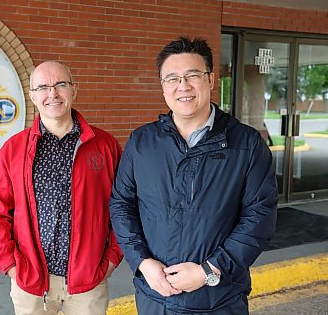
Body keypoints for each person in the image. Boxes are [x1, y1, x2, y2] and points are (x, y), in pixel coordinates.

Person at [109, 36, 278, 315]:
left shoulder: (246, 144)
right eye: (172, 78)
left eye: (192, 75)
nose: (182, 86)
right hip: (155, 298)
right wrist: (143, 263)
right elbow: (121, 204)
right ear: (162, 87)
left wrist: (209, 270)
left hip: (220, 300)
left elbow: (259, 218)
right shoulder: (142, 142)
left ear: (211, 80)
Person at [0, 61, 123, 315]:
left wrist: (111, 259)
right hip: (31, 282)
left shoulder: (105, 146)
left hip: (88, 281)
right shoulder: (13, 150)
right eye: (43, 87)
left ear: (73, 90)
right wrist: (11, 264)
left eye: (60, 85)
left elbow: (124, 205)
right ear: (32, 95)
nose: (53, 94)